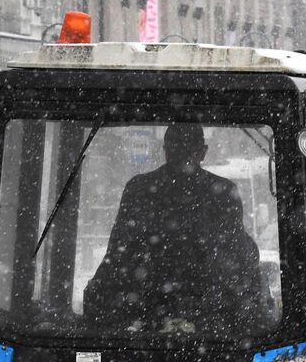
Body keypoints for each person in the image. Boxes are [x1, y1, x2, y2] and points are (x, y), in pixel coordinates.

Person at [83, 123, 266, 333]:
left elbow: (118, 252)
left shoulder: (140, 189)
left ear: (164, 150)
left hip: (145, 310)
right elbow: (236, 253)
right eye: (178, 148)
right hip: (207, 316)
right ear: (203, 153)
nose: (182, 158)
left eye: (184, 149)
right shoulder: (222, 192)